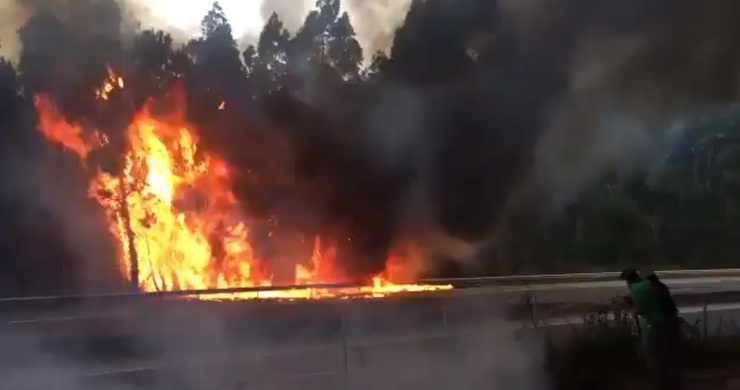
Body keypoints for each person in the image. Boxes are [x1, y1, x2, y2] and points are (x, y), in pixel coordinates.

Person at [620, 269, 681, 389]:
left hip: (656, 323)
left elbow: (639, 309)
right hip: (671, 320)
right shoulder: (651, 285)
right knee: (669, 351)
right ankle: (673, 380)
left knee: (652, 352)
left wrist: (631, 306)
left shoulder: (636, 288)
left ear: (628, 280)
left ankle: (660, 382)